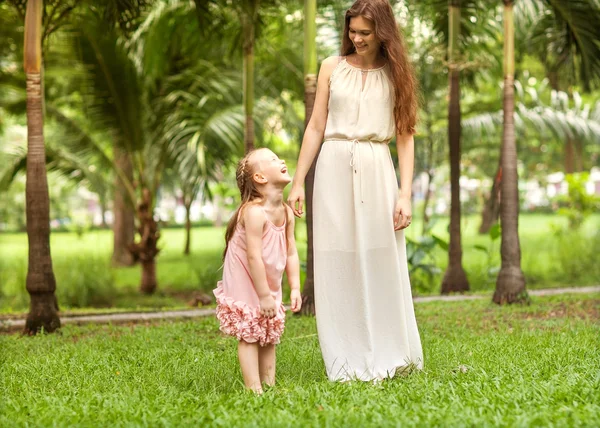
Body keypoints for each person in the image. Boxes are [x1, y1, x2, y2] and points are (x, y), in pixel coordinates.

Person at [287, 0, 423, 382]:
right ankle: (344, 357)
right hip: (332, 166)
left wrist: (404, 194)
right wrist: (298, 181)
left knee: (381, 256)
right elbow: (315, 127)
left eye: (365, 32)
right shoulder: (332, 67)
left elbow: (405, 136)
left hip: (377, 167)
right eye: (352, 31)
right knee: (336, 258)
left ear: (383, 32)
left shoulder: (396, 75)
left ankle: (389, 350)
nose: (357, 38)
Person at [214, 148, 302, 393]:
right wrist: (263, 295)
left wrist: (295, 286)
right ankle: (254, 389)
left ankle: (269, 385)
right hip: (245, 273)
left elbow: (291, 251)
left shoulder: (285, 211)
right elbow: (253, 256)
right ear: (260, 178)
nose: (282, 160)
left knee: (269, 328)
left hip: (268, 275)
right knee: (250, 330)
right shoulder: (253, 212)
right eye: (273, 160)